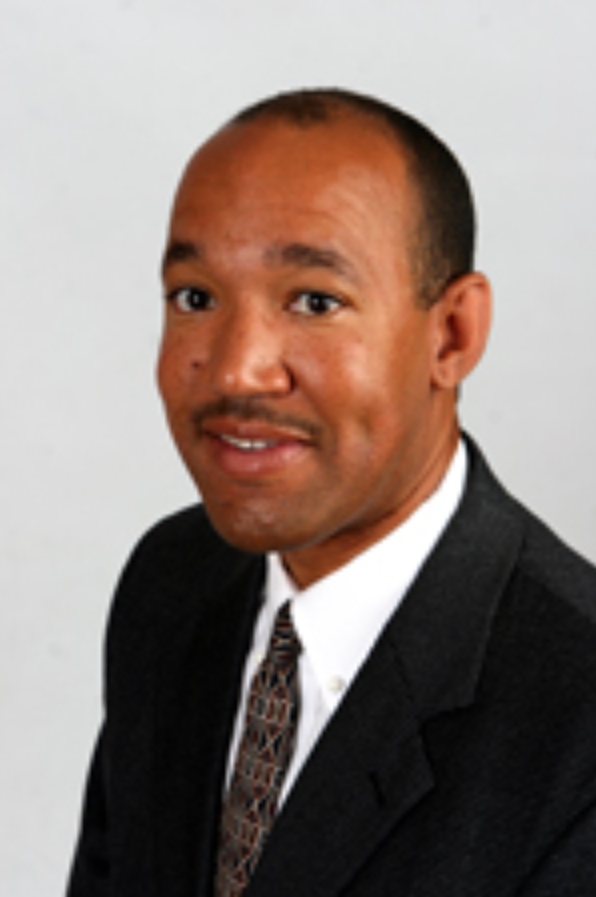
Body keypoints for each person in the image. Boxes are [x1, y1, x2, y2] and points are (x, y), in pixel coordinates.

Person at [67, 89, 596, 897]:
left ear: (452, 333)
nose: (240, 367)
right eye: (195, 298)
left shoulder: (575, 721)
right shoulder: (169, 582)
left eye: (316, 301)